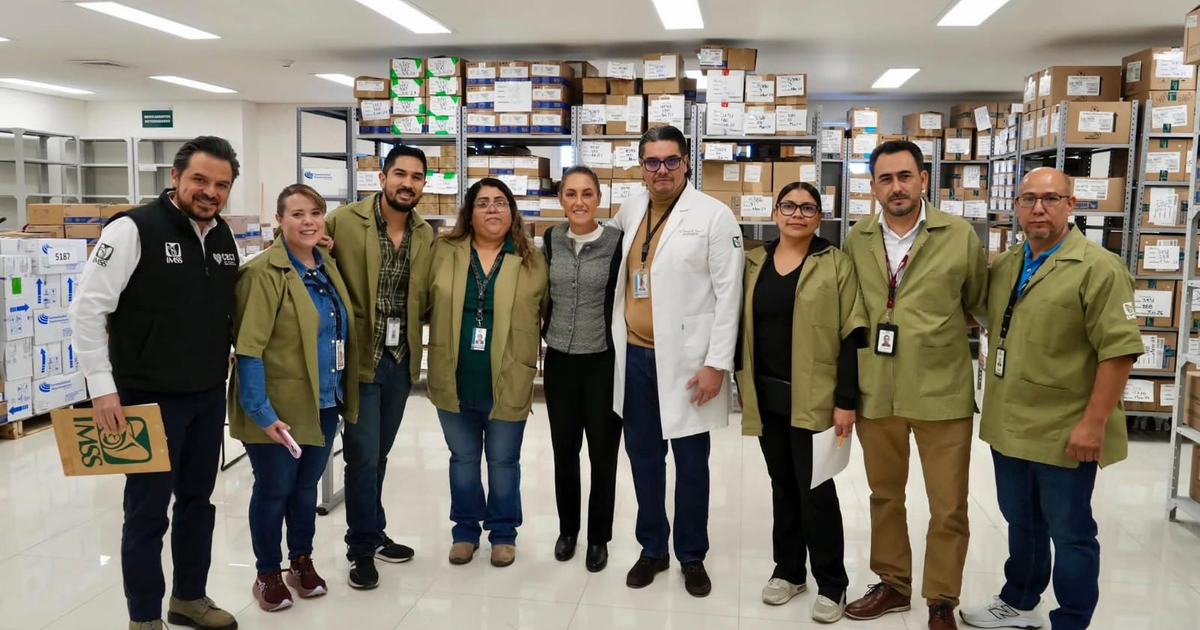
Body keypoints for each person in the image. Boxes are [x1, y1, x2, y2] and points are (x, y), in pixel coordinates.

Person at [69, 136, 243, 630]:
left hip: (206, 395)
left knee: (197, 503)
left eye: (221, 184)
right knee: (146, 513)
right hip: (146, 399)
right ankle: (144, 618)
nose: (210, 192)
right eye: (200, 180)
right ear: (175, 177)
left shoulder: (223, 236)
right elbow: (86, 310)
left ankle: (190, 597)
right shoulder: (132, 229)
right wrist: (102, 388)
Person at [960, 168, 1143, 630]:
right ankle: (1019, 600)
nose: (1038, 208)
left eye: (1050, 199)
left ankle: (1072, 620)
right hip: (1010, 423)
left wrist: (1093, 423)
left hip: (1066, 428)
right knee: (1021, 521)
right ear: (1016, 206)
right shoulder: (1006, 264)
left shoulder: (1098, 268)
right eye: (1028, 199)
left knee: (1072, 532)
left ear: (1071, 204)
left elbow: (1119, 352)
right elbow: (984, 317)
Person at [842, 140, 988, 630]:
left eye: (905, 176)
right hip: (877, 389)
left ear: (924, 179)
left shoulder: (959, 234)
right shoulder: (857, 237)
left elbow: (973, 300)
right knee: (885, 494)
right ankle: (893, 583)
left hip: (940, 390)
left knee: (948, 504)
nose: (896, 187)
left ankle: (941, 598)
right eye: (885, 178)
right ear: (873, 187)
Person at [609, 125, 744, 597]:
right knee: (644, 459)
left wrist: (716, 364)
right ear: (640, 166)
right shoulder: (629, 210)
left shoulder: (714, 216)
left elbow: (730, 296)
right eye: (652, 162)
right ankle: (653, 549)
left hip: (690, 362)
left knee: (691, 463)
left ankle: (692, 554)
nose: (661, 170)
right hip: (636, 357)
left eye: (671, 160)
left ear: (687, 162)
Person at [735, 182, 867, 623]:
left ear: (819, 216)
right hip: (767, 394)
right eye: (789, 206)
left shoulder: (835, 264)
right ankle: (789, 571)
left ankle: (833, 583)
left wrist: (846, 399)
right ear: (776, 212)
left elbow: (854, 334)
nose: (797, 214)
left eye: (807, 208)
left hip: (816, 398)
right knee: (783, 485)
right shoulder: (754, 262)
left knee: (817, 490)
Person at [229, 184, 358, 612]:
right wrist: (262, 413)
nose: (308, 221)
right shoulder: (263, 273)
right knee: (274, 489)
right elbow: (248, 349)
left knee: (305, 490)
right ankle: (267, 573)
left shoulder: (326, 268)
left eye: (316, 213)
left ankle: (300, 560)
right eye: (297, 214)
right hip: (277, 409)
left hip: (323, 401)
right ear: (279, 220)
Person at [325, 144, 434, 590]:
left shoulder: (425, 233)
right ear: (382, 177)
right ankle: (360, 548)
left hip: (400, 360)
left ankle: (374, 527)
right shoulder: (343, 222)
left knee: (379, 454)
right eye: (400, 174)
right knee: (361, 457)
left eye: (417, 177)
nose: (408, 184)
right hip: (358, 360)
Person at [425, 178, 548, 568]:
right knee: (462, 459)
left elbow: (549, 312)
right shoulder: (445, 252)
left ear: (512, 211)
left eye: (500, 202)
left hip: (508, 376)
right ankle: (464, 531)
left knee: (503, 460)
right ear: (469, 212)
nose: (492, 209)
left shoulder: (530, 259)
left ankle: (503, 534)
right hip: (454, 374)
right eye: (482, 203)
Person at [541, 166, 624, 573]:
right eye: (571, 194)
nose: (579, 202)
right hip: (558, 361)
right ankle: (568, 530)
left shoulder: (616, 242)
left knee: (603, 455)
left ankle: (599, 537)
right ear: (560, 198)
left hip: (603, 363)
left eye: (587, 194)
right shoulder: (551, 239)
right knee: (564, 452)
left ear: (599, 199)